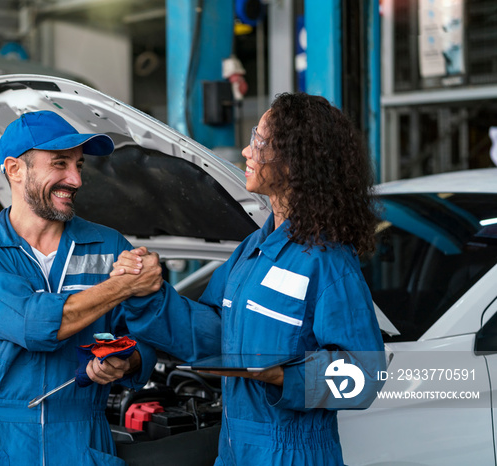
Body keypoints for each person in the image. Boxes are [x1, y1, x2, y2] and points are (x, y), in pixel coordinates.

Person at [112, 93, 386, 465]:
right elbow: (209, 336)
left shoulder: (328, 262)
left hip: (295, 453)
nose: (245, 151)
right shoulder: (250, 253)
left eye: (259, 141)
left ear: (293, 162)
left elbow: (364, 375)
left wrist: (284, 377)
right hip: (235, 447)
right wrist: (148, 293)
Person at [0, 110, 163, 466]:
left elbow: (149, 336)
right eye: (60, 164)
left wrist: (127, 361)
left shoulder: (110, 246)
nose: (76, 179)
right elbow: (33, 324)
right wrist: (121, 286)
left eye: (79, 165)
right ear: (15, 169)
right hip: (1, 437)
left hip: (82, 434)